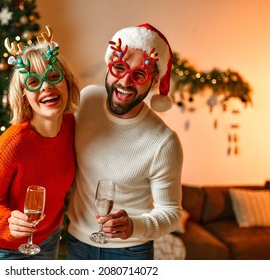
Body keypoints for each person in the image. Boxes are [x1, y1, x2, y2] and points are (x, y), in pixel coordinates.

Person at [66, 22, 183, 260]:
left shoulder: (164, 142)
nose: (126, 82)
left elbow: (171, 213)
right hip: (77, 243)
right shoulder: (87, 101)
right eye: (120, 67)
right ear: (109, 68)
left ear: (152, 81)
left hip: (130, 251)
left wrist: (134, 226)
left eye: (139, 74)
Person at [0, 26, 80, 260]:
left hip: (48, 237)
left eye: (53, 76)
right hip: (2, 248)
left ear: (67, 83)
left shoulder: (74, 125)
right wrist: (8, 223)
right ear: (24, 95)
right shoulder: (12, 144)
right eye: (34, 81)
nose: (46, 86)